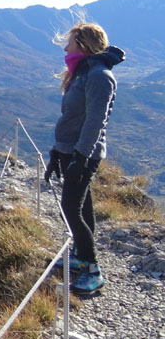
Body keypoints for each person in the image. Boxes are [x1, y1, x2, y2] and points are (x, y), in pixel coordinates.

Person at [44, 22, 125, 294]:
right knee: (82, 206)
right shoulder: (82, 73)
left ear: (84, 46)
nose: (66, 48)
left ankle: (93, 270)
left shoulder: (99, 77)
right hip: (71, 150)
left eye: (70, 43)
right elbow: (72, 117)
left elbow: (95, 122)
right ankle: (79, 257)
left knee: (70, 209)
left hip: (83, 153)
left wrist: (80, 156)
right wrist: (58, 150)